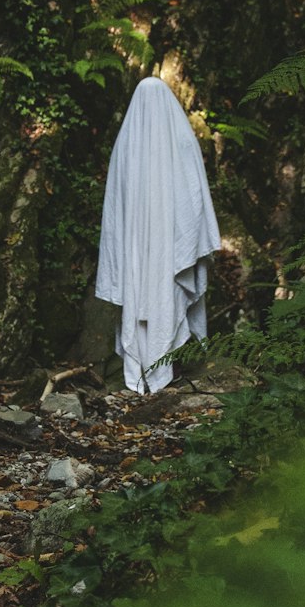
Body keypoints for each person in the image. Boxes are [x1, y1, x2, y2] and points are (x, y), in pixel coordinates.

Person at [96, 75, 221, 393]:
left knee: (154, 293)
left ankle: (161, 368)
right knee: (166, 293)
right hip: (166, 246)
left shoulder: (127, 144)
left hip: (155, 246)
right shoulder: (181, 140)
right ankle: (161, 368)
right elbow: (195, 200)